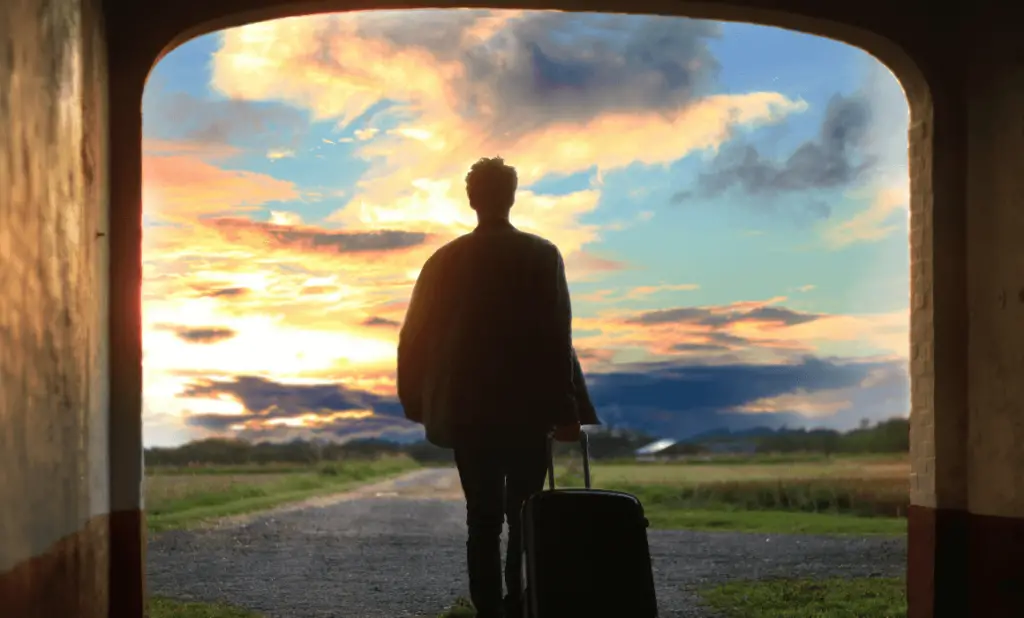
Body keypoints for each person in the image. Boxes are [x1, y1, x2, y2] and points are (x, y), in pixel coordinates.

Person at [397, 157, 599, 618]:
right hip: (530, 408)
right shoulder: (541, 253)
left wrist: (418, 401)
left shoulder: (443, 260)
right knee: (527, 514)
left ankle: (489, 610)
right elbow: (556, 336)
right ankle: (524, 603)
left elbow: (415, 335)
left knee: (482, 519)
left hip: (467, 410)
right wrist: (567, 410)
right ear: (512, 195)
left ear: (472, 199)